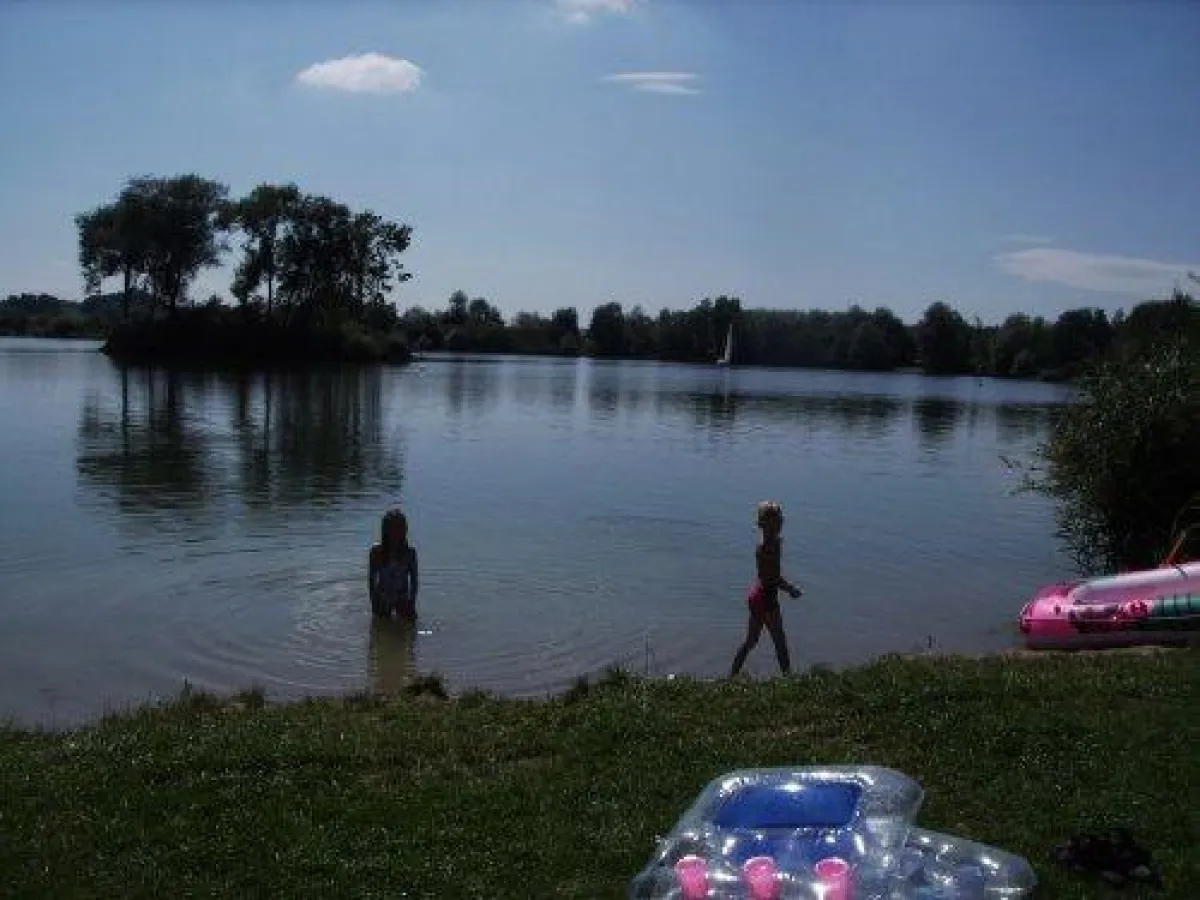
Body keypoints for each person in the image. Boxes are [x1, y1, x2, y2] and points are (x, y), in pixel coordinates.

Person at [730, 500, 802, 677]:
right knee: (780, 642)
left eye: (780, 519)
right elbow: (772, 578)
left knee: (750, 642)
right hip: (766, 598)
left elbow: (770, 577)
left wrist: (785, 586)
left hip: (758, 595)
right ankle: (789, 681)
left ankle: (731, 677)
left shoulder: (769, 543)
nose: (781, 522)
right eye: (778, 520)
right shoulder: (768, 547)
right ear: (768, 524)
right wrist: (790, 589)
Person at [369, 508, 419, 620]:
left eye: (399, 528)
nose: (395, 533)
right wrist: (373, 601)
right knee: (380, 629)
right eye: (392, 528)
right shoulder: (376, 552)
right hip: (382, 596)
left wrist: (412, 602)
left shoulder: (410, 553)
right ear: (385, 530)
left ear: (404, 530)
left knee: (409, 628)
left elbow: (414, 582)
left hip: (402, 597)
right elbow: (371, 580)